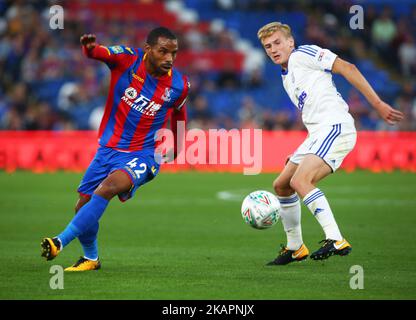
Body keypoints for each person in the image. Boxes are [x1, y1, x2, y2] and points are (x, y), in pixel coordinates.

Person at [41, 27, 190, 271]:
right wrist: (89, 49)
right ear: (148, 50)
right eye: (163, 52)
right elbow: (98, 53)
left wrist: (178, 144)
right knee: (82, 205)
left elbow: (180, 114)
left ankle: (59, 242)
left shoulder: (179, 85)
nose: (169, 59)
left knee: (108, 187)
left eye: (174, 53)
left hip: (144, 154)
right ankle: (91, 259)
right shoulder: (127, 59)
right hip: (108, 150)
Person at [257, 22, 403, 265]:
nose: (273, 49)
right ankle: (295, 247)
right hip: (317, 134)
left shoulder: (303, 54)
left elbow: (347, 67)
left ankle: (335, 238)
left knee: (300, 181)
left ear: (291, 42)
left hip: (335, 127)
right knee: (282, 184)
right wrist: (300, 153)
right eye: (267, 46)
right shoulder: (286, 76)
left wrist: (377, 104)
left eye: (278, 43)